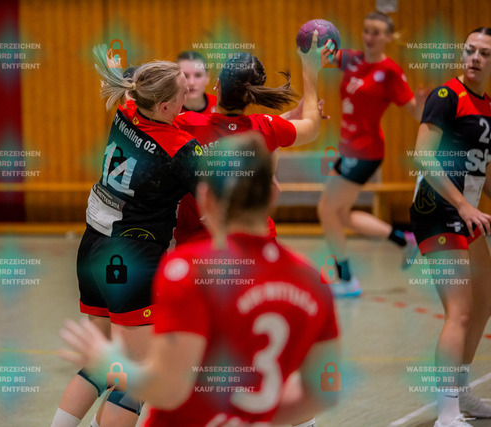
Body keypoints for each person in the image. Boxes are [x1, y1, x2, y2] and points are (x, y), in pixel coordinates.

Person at [60, 133, 341, 426]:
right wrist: (250, 412)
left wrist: (107, 361)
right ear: (273, 193)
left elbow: (168, 390)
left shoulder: (185, 271)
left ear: (204, 198)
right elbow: (324, 393)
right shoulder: (311, 280)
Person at [51, 45, 202, 427]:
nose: (189, 92)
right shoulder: (181, 149)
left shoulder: (127, 110)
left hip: (92, 247)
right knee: (139, 376)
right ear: (165, 107)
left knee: (101, 364)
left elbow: (133, 82)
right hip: (131, 258)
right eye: (183, 89)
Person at [173, 35, 331, 247]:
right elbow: (311, 126)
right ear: (253, 96)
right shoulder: (267, 128)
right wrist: (310, 69)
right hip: (255, 241)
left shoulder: (185, 124)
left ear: (217, 84)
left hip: (199, 243)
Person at [409, 27, 491, 427]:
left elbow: (483, 171)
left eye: (484, 53)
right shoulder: (445, 96)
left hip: (467, 212)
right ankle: (446, 413)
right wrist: (461, 204)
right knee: (459, 311)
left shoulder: (487, 106)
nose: (475, 58)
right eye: (470, 50)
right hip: (438, 209)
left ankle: (461, 391)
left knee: (485, 300)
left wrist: (470, 206)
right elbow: (423, 156)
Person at [317, 11, 429, 297]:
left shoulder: (390, 71)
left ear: (388, 37)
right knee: (340, 214)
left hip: (365, 151)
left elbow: (416, 113)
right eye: (366, 30)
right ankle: (403, 240)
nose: (369, 37)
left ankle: (346, 280)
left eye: (376, 32)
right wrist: (314, 42)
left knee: (327, 210)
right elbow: (321, 57)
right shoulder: (351, 59)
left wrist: (421, 104)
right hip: (348, 148)